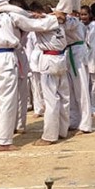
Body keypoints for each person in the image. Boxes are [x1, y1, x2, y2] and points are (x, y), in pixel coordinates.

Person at [0, 0, 61, 151]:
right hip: (6, 58)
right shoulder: (14, 16)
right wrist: (54, 18)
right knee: (7, 100)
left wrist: (32, 15)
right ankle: (4, 141)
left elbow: (28, 20)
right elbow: (36, 25)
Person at [32, 8, 71, 146]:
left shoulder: (44, 23)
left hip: (49, 60)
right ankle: (62, 130)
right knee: (64, 96)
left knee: (51, 99)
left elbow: (26, 23)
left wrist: (40, 16)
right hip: (61, 58)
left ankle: (49, 136)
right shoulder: (60, 22)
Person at [62, 10, 92, 135]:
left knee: (82, 89)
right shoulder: (67, 18)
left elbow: (65, 25)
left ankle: (85, 124)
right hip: (69, 52)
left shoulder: (73, 20)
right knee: (71, 90)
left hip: (77, 53)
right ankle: (74, 120)